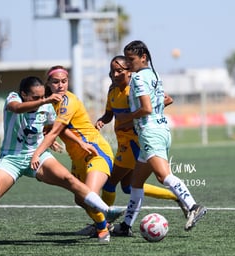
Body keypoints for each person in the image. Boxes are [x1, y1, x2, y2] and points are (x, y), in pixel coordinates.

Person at [0, 76, 123, 248]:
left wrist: (78, 142)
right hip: (11, 159)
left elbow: (55, 128)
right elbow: (17, 109)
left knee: (69, 180)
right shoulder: (14, 98)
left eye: (42, 97)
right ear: (23, 94)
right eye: (36, 97)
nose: (41, 101)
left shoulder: (47, 106)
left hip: (38, 156)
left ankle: (106, 212)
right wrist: (47, 100)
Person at [76, 56, 187, 236]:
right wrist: (101, 121)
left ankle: (103, 224)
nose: (116, 74)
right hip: (122, 143)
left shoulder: (133, 89)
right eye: (113, 71)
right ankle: (176, 196)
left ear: (129, 72)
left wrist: (155, 107)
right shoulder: (112, 91)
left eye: (120, 70)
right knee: (129, 186)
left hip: (134, 142)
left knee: (110, 183)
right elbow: (109, 114)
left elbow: (158, 103)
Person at [113, 40, 207, 236]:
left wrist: (125, 118)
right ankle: (126, 226)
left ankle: (192, 206)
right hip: (162, 129)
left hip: (149, 133)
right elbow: (165, 99)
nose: (128, 64)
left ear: (143, 58)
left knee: (164, 176)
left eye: (131, 60)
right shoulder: (154, 75)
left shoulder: (138, 79)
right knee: (135, 184)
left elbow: (146, 108)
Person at [31, 66, 120, 241]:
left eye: (64, 81)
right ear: (48, 83)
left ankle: (103, 228)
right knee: (80, 199)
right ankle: (103, 222)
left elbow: (56, 130)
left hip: (95, 151)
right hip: (77, 157)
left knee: (89, 195)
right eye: (56, 82)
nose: (60, 85)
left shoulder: (68, 102)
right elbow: (59, 129)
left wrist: (37, 153)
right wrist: (70, 140)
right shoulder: (49, 103)